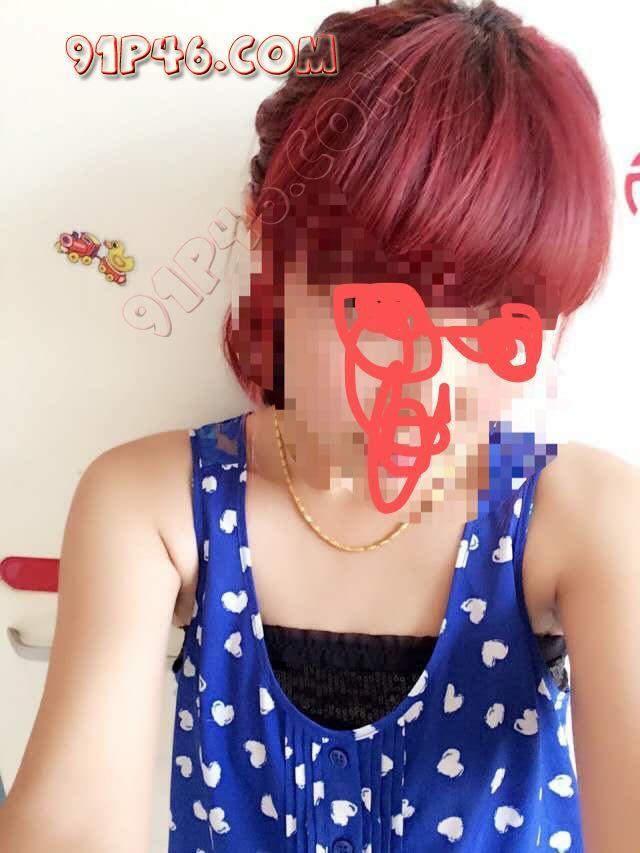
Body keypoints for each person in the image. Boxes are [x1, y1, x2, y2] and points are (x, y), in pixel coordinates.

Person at [1, 1, 639, 852]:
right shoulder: (154, 507)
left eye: (497, 320)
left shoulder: (584, 516)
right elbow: (71, 820)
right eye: (379, 309)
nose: (434, 379)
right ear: (267, 238)